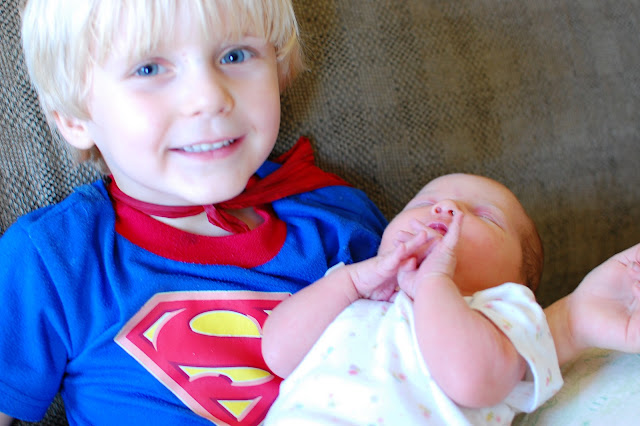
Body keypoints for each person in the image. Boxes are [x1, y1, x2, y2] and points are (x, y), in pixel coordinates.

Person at [1, 0, 639, 425]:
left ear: (278, 69)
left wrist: (570, 321)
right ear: (73, 118)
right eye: (149, 68)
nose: (209, 96)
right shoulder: (53, 258)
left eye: (235, 56)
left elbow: (440, 360)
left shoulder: (339, 222)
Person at [262, 173, 562, 425]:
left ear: (517, 283)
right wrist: (351, 282)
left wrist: (435, 282)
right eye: (424, 203)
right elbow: (278, 354)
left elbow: (471, 381)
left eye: (486, 216)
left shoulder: (506, 315)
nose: (446, 206)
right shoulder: (349, 291)